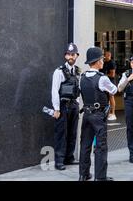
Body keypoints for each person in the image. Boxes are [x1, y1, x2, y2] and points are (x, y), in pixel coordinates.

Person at [78, 47, 117, 181]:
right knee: (101, 146)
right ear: (97, 61)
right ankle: (100, 177)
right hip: (99, 116)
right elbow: (114, 89)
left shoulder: (81, 77)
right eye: (102, 59)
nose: (103, 61)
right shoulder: (102, 78)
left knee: (85, 145)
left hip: (87, 114)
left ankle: (83, 175)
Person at [51, 43, 81, 171]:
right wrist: (56, 108)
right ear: (65, 56)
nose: (71, 56)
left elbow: (78, 88)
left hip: (74, 105)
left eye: (73, 54)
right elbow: (54, 90)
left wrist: (78, 103)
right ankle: (59, 161)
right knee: (61, 134)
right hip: (63, 106)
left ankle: (69, 157)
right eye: (68, 54)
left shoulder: (78, 71)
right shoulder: (59, 71)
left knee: (72, 133)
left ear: (77, 56)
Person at [100, 50, 117, 121]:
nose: (104, 56)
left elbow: (112, 74)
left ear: (109, 55)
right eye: (104, 55)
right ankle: (106, 112)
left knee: (111, 96)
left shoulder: (112, 63)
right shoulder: (103, 62)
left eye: (105, 55)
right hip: (104, 81)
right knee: (105, 97)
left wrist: (104, 75)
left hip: (110, 81)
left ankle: (113, 113)